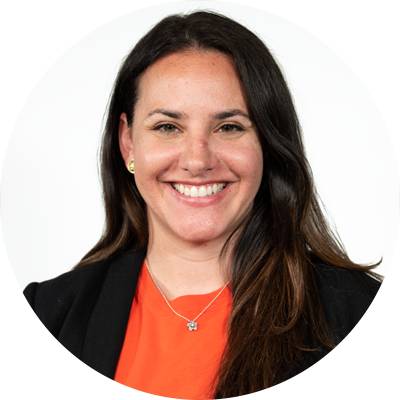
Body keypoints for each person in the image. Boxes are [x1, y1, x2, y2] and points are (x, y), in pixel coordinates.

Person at [23, 10, 383, 400]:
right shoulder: (45, 317)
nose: (197, 160)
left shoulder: (360, 314)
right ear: (128, 143)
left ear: (267, 143)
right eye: (167, 127)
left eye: (229, 127)